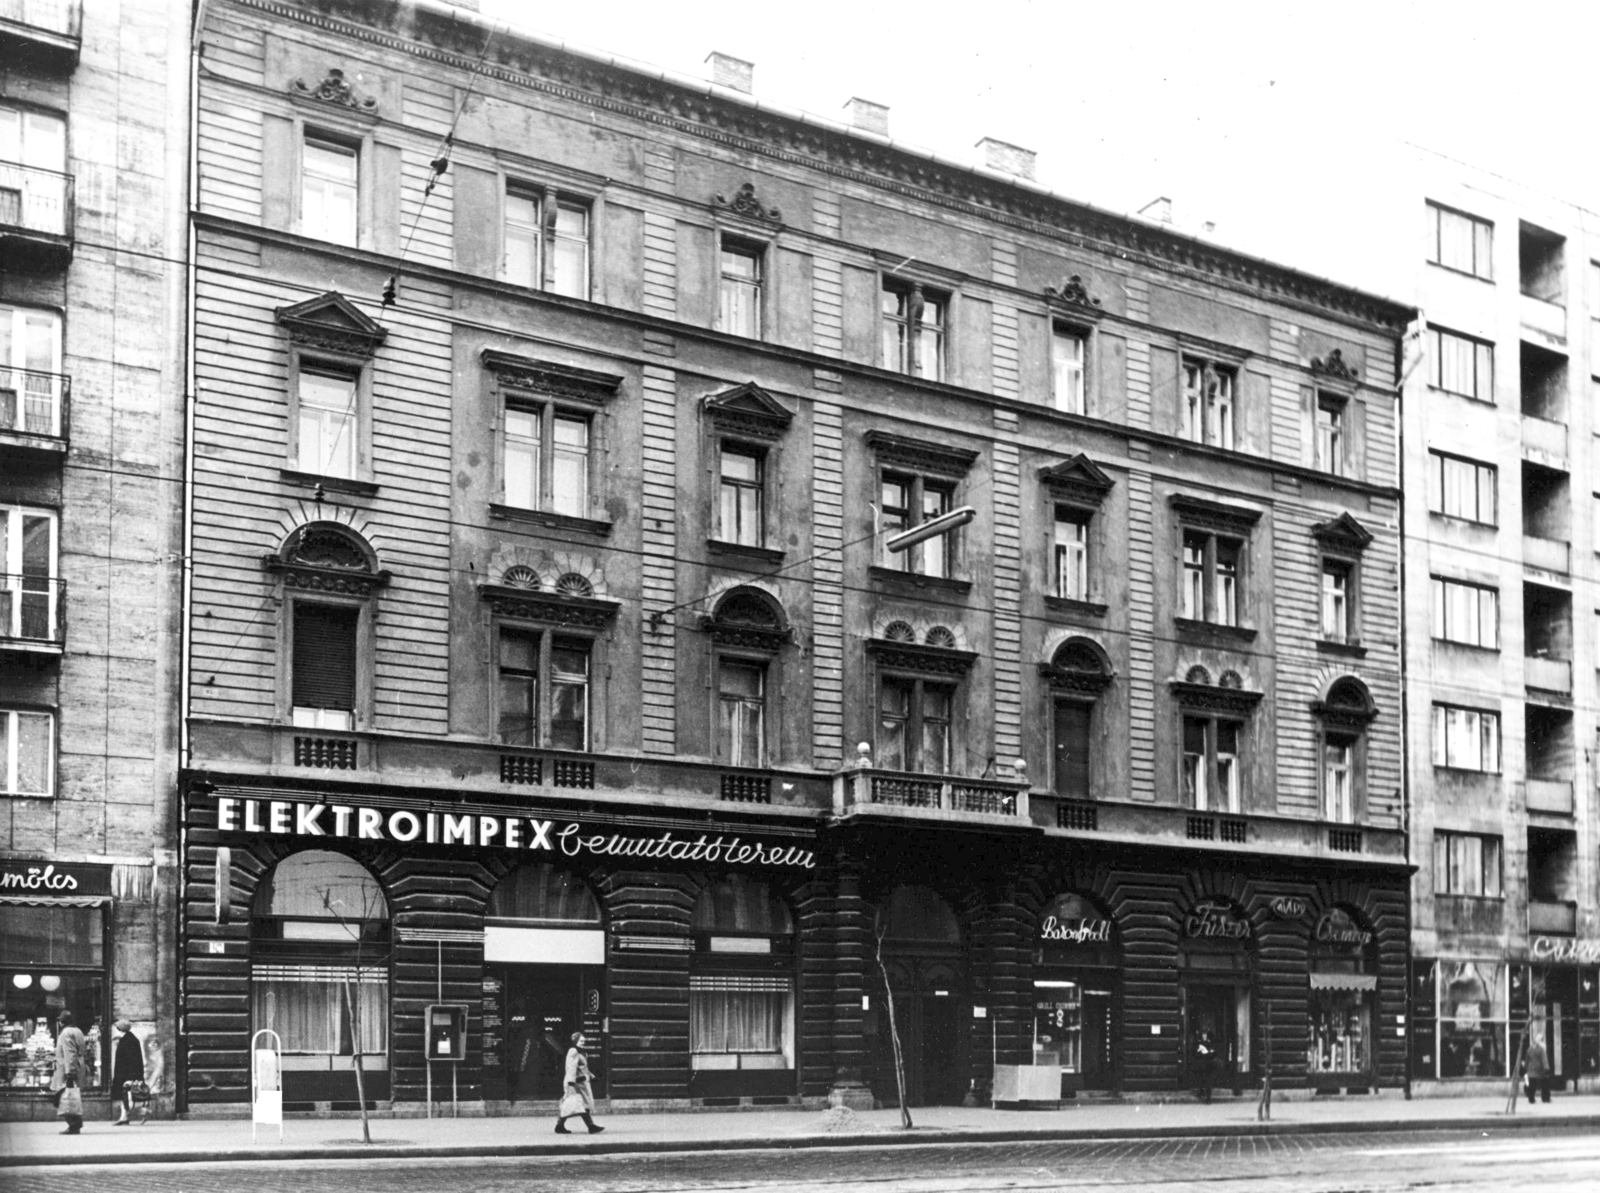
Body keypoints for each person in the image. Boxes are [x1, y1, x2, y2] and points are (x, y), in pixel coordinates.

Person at [554, 1032, 604, 1134]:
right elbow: (571, 1067)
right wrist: (571, 1082)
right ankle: (591, 1126)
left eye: (584, 1041)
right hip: (576, 1084)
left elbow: (583, 1069)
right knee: (578, 1105)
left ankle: (560, 1125)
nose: (583, 1043)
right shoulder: (573, 1051)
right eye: (581, 1041)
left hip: (580, 1083)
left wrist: (592, 1076)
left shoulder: (581, 1052)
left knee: (576, 1105)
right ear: (575, 1041)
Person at [49, 1010, 89, 1135]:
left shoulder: (66, 1033)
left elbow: (70, 1053)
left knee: (63, 1098)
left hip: (67, 1071)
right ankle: (75, 1124)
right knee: (69, 1098)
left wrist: (70, 1073)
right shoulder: (78, 1031)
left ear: (62, 1022)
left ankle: (74, 1125)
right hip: (76, 1067)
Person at [110, 1020, 146, 1125]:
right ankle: (124, 1117)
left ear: (121, 1029)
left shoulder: (129, 1040)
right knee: (126, 1095)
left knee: (132, 1095)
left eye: (117, 1028)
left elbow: (133, 1060)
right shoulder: (129, 1039)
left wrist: (131, 1077)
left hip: (126, 1074)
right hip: (124, 1073)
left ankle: (144, 1112)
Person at [1522, 1030, 1552, 1105]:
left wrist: (1525, 1066)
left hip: (1531, 1069)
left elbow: (1527, 1059)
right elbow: (1544, 1059)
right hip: (1540, 1069)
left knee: (1532, 1085)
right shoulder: (1542, 1049)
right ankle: (1545, 1099)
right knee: (1545, 1084)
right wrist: (1546, 1068)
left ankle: (1531, 1099)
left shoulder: (1530, 1049)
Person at [1194, 1029, 1216, 1104]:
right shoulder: (1199, 1043)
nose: (1204, 1036)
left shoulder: (1210, 1043)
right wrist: (1198, 1051)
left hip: (1209, 1065)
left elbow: (1212, 1054)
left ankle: (1208, 1098)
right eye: (1203, 1035)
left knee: (1208, 1082)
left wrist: (1206, 1052)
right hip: (1201, 1065)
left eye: (1205, 1035)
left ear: (1207, 1035)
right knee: (1201, 1079)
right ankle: (1201, 1092)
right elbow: (1195, 1054)